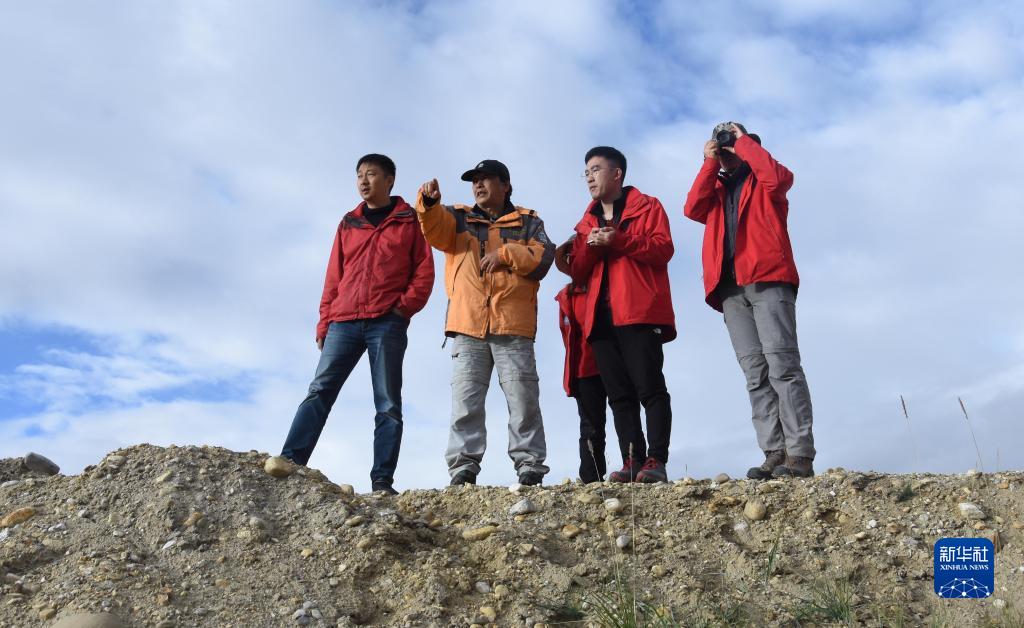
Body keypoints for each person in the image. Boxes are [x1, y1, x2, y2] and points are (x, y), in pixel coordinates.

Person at [280, 154, 434, 495]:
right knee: (319, 391)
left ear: (390, 180)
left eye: (372, 174)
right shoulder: (348, 222)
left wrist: (401, 310)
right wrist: (325, 322)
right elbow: (333, 276)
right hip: (343, 320)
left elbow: (424, 272)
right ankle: (290, 462)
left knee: (388, 403)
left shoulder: (410, 221)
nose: (364, 181)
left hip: (386, 322)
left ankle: (382, 482)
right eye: (360, 175)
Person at [683, 122, 816, 478]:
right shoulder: (717, 188)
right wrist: (709, 163)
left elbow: (780, 179)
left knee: (783, 366)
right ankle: (774, 452)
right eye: (723, 142)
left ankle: (799, 454)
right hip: (730, 288)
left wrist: (744, 142)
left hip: (768, 278)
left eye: (732, 141)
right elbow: (692, 208)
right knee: (755, 374)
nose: (727, 148)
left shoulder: (764, 180)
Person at [417, 160, 554, 487]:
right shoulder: (457, 217)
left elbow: (542, 259)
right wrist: (429, 203)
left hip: (513, 325)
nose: (478, 185)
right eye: (474, 180)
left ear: (505, 185)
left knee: (523, 400)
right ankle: (463, 468)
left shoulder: (529, 221)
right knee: (465, 403)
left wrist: (505, 254)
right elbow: (432, 229)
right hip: (468, 325)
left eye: (486, 179)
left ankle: (530, 465)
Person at [570, 146, 676, 483]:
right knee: (619, 396)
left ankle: (656, 460)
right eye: (586, 172)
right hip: (600, 319)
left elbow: (663, 249)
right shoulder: (586, 222)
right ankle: (632, 461)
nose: (589, 177)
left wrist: (620, 240)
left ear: (617, 174)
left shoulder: (649, 206)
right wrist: (590, 247)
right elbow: (577, 272)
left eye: (596, 169)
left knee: (650, 388)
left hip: (638, 312)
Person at [554, 237, 641, 483]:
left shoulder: (609, 289)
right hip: (583, 368)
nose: (574, 259)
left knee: (625, 410)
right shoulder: (566, 296)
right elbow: (568, 338)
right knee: (590, 426)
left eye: (578, 253)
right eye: (569, 255)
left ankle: (634, 464)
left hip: (614, 362)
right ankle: (591, 479)